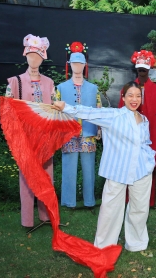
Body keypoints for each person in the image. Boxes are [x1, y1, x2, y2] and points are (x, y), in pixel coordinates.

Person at [52, 81, 155, 252]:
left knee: (139, 209)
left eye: (138, 96)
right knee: (110, 211)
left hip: (142, 171)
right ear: (123, 97)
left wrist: (150, 159)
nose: (134, 99)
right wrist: (66, 107)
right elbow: (89, 112)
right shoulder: (113, 115)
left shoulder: (144, 120)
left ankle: (136, 244)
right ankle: (104, 247)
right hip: (117, 171)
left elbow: (146, 143)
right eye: (130, 95)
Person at [5, 34, 54, 228]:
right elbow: (7, 112)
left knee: (46, 177)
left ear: (43, 59)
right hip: (24, 139)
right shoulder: (15, 82)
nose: (34, 60)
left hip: (45, 138)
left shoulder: (50, 83)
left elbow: (54, 110)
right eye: (31, 56)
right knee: (26, 179)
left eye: (38, 57)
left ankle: (46, 216)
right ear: (25, 56)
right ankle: (27, 220)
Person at [120, 50, 156, 207]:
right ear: (136, 68)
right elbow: (121, 115)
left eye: (145, 67)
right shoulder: (126, 90)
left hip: (152, 137)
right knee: (131, 166)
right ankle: (130, 200)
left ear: (150, 68)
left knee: (150, 169)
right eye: (140, 67)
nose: (142, 70)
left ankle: (150, 200)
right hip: (133, 136)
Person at [56, 42, 101, 211]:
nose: (77, 66)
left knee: (89, 169)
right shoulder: (60, 88)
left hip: (88, 133)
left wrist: (99, 129)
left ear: (84, 65)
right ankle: (69, 201)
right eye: (74, 63)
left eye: (80, 63)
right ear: (70, 65)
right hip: (68, 134)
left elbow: (98, 110)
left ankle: (89, 201)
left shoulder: (93, 89)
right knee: (68, 168)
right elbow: (57, 114)